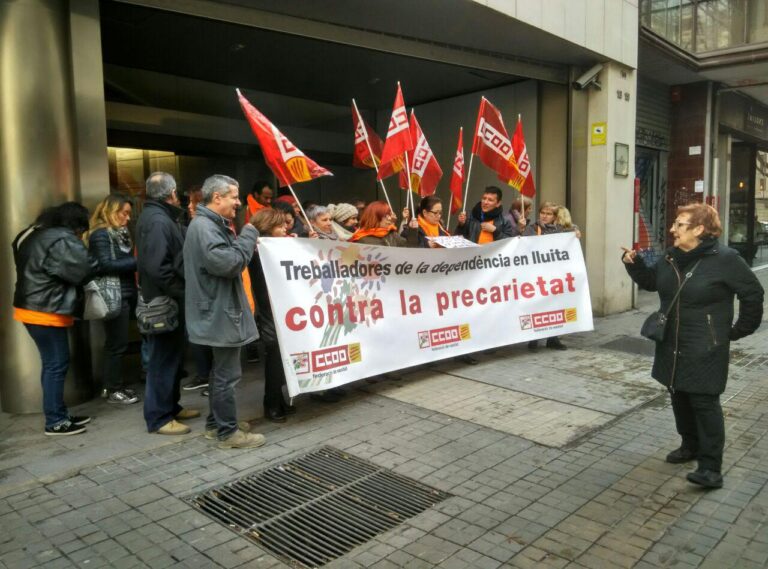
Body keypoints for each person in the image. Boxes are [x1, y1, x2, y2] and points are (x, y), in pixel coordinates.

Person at [622, 203, 763, 489]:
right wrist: (634, 264)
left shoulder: (726, 259)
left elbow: (753, 293)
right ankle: (689, 445)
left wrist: (738, 330)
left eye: (680, 224)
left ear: (699, 229)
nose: (673, 229)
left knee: (704, 401)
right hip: (672, 340)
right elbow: (652, 283)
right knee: (678, 394)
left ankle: (711, 468)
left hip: (705, 344)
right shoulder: (671, 257)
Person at [184, 174, 266, 449]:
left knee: (221, 374)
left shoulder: (208, 224)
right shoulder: (205, 227)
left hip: (217, 311)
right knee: (227, 376)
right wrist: (250, 234)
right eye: (234, 196)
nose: (238, 202)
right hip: (219, 313)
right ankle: (228, 433)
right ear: (217, 197)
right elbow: (229, 263)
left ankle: (216, 424)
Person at [12, 202, 94, 436]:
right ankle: (55, 421)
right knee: (56, 365)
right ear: (76, 225)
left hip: (31, 308)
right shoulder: (61, 239)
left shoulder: (30, 234)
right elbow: (83, 271)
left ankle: (59, 413)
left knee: (52, 364)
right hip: (45, 311)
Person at [136, 172, 199, 436]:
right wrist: (182, 291)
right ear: (172, 193)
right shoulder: (158, 220)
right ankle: (159, 417)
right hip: (165, 301)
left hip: (169, 298)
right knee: (162, 359)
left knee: (172, 358)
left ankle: (170, 406)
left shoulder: (158, 216)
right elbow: (158, 267)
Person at [86, 193, 139, 405]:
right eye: (124, 213)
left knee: (119, 343)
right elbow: (105, 264)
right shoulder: (101, 235)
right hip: (114, 295)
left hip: (125, 293)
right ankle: (112, 388)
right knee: (116, 345)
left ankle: (115, 386)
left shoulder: (120, 233)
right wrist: (138, 262)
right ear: (111, 211)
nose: (127, 218)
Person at [250, 208, 295, 422]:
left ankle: (278, 398)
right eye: (280, 225)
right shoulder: (257, 252)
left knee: (280, 357)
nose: (285, 228)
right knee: (275, 355)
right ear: (267, 228)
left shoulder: (279, 247)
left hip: (284, 308)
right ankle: (271, 403)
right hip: (270, 309)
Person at [525, 202, 568, 350]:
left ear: (555, 217)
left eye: (549, 214)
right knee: (536, 306)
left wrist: (575, 233)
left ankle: (553, 338)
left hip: (554, 275)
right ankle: (533, 339)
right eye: (543, 212)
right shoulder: (531, 229)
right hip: (536, 275)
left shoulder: (561, 231)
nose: (544, 216)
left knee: (554, 305)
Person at [349, 201, 419, 246]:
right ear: (375, 218)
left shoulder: (392, 235)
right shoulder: (361, 240)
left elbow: (410, 249)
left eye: (389, 215)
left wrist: (412, 231)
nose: (389, 218)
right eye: (385, 216)